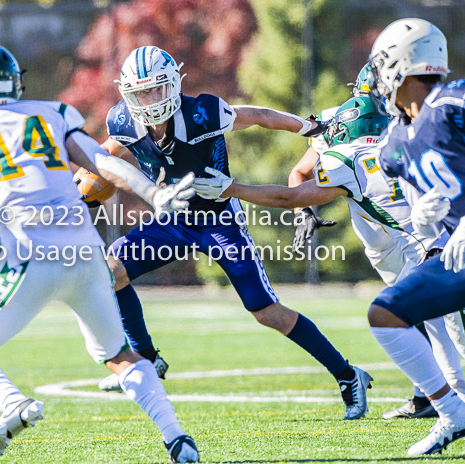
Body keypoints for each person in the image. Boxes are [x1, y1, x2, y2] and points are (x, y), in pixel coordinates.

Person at [0, 41, 200, 463]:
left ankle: (12, 404)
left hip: (30, 255)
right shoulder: (52, 113)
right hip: (88, 253)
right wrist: (154, 193)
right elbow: (103, 162)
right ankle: (177, 439)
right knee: (119, 355)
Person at [98, 45, 372, 421]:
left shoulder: (202, 113)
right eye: (141, 92)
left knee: (265, 311)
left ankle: (348, 375)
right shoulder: (123, 121)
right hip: (173, 220)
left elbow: (258, 115)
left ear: (174, 84)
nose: (149, 99)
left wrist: (309, 127)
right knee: (108, 272)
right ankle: (146, 359)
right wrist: (87, 178)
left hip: (219, 221)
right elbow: (105, 153)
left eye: (157, 88)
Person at [194, 88, 465, 421]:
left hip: (424, 243)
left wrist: (232, 188)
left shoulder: (355, 151)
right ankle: (433, 399)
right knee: (422, 317)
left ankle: (453, 404)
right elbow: (300, 175)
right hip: (422, 233)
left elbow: (287, 195)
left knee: (432, 321)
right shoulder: (392, 131)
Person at [286, 64, 465, 420]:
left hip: (418, 223)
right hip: (375, 228)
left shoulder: (416, 116)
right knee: (407, 311)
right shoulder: (343, 119)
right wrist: (302, 211)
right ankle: (430, 397)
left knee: (438, 312)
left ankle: (448, 395)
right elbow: (300, 172)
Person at [364, 18, 465, 455]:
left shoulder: (452, 102)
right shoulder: (393, 144)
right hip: (455, 253)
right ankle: (453, 414)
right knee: (385, 313)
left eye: (382, 65)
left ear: (400, 65)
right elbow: (420, 219)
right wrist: (425, 223)